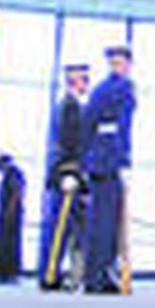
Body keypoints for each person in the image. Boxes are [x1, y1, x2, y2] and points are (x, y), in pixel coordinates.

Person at [81, 44, 136, 294]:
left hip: (95, 159)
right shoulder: (125, 87)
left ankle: (93, 276)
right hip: (111, 159)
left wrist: (86, 159)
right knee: (108, 222)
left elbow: (87, 124)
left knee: (96, 220)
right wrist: (124, 160)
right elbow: (124, 126)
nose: (120, 67)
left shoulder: (98, 89)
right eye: (118, 62)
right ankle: (103, 276)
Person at [39, 63, 89, 291]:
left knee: (68, 229)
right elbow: (69, 144)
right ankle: (49, 276)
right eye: (82, 79)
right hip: (65, 175)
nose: (86, 83)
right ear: (72, 82)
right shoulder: (70, 106)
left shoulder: (73, 106)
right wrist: (70, 173)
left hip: (69, 174)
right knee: (58, 229)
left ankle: (57, 273)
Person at [0, 154, 25, 284]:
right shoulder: (10, 175)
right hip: (6, 213)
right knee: (4, 244)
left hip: (11, 215)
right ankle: (3, 271)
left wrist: (10, 211)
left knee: (9, 244)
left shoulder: (14, 175)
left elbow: (16, 194)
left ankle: (9, 271)